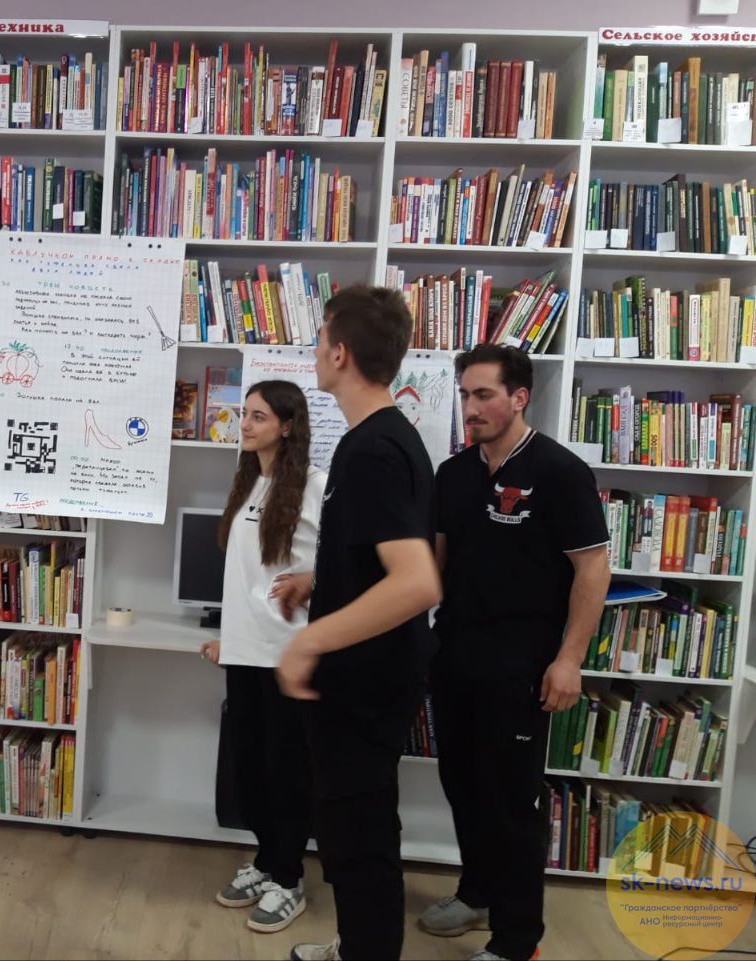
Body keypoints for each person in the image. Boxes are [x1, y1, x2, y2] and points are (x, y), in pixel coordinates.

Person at [418, 344, 610, 961]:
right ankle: (477, 893)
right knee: (462, 784)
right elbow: (435, 565)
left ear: (519, 397)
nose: (470, 408)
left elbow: (593, 569)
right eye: (465, 395)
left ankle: (516, 939)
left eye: (484, 395)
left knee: (510, 803)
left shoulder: (559, 472)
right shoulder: (453, 473)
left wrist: (569, 660)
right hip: (455, 654)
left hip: (522, 665)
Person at [275, 286, 443, 961]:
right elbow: (381, 556)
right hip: (366, 671)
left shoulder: (374, 450)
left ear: (340, 353)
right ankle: (356, 945)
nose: (314, 353)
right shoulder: (377, 440)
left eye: (319, 341)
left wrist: (309, 640)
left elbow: (417, 581)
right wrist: (320, 580)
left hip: (367, 676)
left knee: (360, 832)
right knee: (349, 825)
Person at [199, 380, 326, 934]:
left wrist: (313, 581)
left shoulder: (316, 486)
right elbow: (247, 577)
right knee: (249, 768)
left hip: (288, 654)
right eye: (243, 414)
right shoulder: (250, 481)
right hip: (245, 652)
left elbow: (340, 565)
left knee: (286, 772)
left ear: (288, 426)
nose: (245, 425)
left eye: (258, 417)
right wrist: (229, 638)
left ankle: (288, 878)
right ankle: (269, 860)